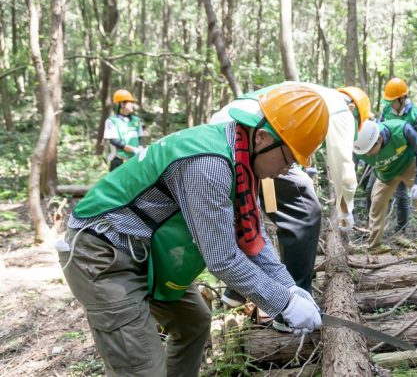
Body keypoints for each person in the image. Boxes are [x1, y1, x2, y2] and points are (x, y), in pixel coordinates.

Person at [58, 84, 329, 376]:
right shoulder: (209, 165)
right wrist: (282, 303)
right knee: (143, 370)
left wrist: (290, 288)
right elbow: (223, 258)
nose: (287, 171)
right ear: (262, 138)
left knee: (194, 323)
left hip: (148, 251)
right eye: (288, 159)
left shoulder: (241, 158)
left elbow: (254, 239)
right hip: (102, 250)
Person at [210, 83, 371, 326]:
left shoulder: (317, 94)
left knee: (249, 213)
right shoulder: (339, 109)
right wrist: (345, 208)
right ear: (353, 108)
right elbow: (344, 169)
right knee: (304, 209)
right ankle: (293, 303)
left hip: (233, 133)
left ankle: (237, 292)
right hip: (251, 138)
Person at [353, 119, 417, 269]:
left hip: (409, 165)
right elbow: (349, 170)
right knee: (377, 203)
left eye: (369, 151)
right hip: (385, 174)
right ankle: (374, 247)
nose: (368, 156)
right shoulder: (359, 145)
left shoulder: (401, 130)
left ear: (378, 139)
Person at [364, 78, 417, 234]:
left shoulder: (415, 115)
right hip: (383, 158)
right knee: (370, 190)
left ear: (402, 98)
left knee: (401, 194)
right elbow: (377, 130)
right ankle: (372, 228)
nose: (390, 104)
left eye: (393, 101)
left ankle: (402, 229)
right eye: (389, 101)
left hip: (404, 160)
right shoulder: (386, 111)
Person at [104, 89, 145, 171]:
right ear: (122, 104)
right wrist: (133, 149)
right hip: (119, 160)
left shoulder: (136, 120)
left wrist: (140, 147)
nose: (132, 105)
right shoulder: (112, 121)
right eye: (130, 102)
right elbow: (114, 141)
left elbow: (140, 137)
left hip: (134, 160)